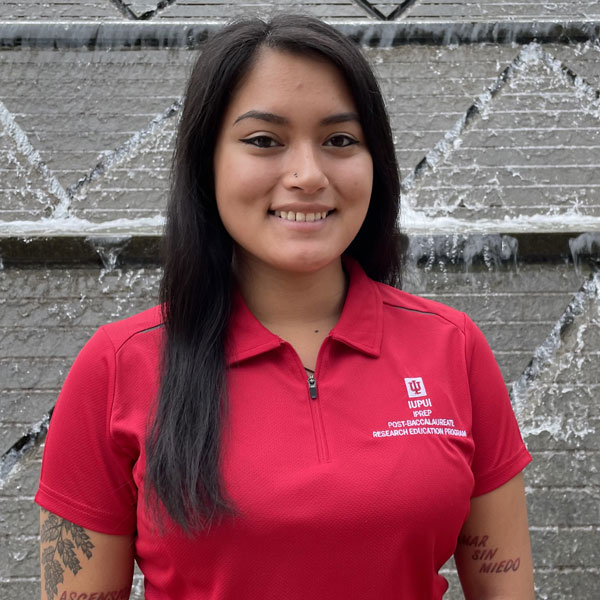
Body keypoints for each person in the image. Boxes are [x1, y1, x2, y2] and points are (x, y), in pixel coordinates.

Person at [36, 14, 534, 600]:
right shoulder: (119, 366)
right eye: (264, 141)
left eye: (340, 141)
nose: (308, 175)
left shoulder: (452, 345)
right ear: (206, 164)